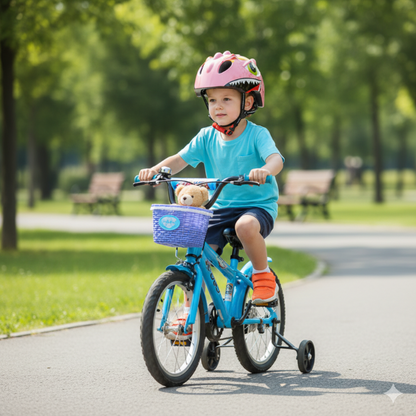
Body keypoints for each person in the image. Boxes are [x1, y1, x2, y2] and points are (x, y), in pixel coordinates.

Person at [139, 51, 284, 304]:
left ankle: (263, 277)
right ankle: (189, 317)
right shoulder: (206, 136)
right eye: (212, 99)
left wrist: (265, 170)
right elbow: (179, 159)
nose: (217, 106)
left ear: (247, 103)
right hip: (220, 208)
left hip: (257, 207)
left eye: (227, 99)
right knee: (196, 258)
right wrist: (155, 171)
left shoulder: (257, 135)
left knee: (244, 227)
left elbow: (276, 160)